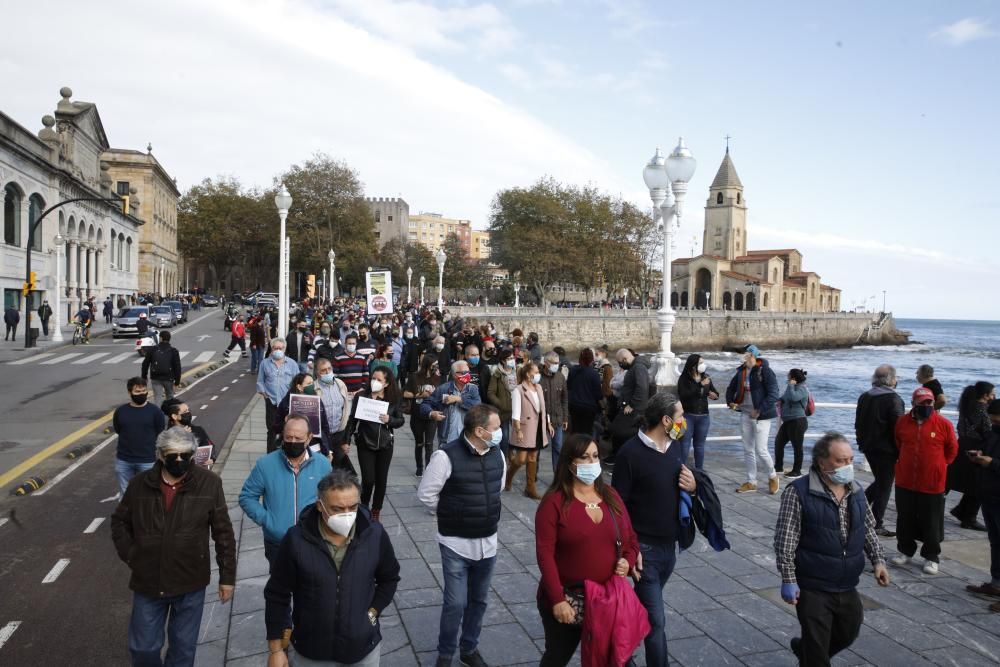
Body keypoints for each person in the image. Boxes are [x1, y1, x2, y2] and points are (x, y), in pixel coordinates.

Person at [111, 428, 237, 667]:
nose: (178, 460)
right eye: (172, 455)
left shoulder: (209, 484)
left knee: (183, 650)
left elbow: (223, 533)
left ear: (192, 455)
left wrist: (227, 577)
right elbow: (119, 522)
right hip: (149, 581)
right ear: (160, 455)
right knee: (143, 649)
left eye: (184, 455)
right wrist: (132, 555)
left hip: (190, 582)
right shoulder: (139, 485)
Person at [773, 432, 890, 665]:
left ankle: (805, 651)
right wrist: (788, 578)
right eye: (840, 460)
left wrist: (878, 561)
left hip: (846, 583)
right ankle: (811, 654)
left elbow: (867, 529)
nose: (847, 465)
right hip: (813, 585)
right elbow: (785, 540)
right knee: (818, 654)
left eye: (850, 460)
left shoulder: (856, 490)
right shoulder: (798, 493)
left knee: (848, 632)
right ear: (821, 461)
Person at [263, 471, 401, 667]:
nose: (347, 514)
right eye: (337, 509)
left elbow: (389, 578)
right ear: (320, 506)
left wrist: (372, 612)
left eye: (352, 507)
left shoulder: (374, 535)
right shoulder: (296, 540)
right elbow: (277, 593)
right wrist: (276, 649)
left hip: (362, 651)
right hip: (311, 651)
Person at [534, 434, 640, 666]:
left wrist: (628, 561)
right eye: (584, 457)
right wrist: (557, 600)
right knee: (556, 657)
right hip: (570, 600)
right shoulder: (554, 503)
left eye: (595, 456)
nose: (592, 463)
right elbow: (545, 555)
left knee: (618, 658)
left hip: (608, 600)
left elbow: (631, 538)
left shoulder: (611, 496)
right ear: (569, 463)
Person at [611, 392, 696, 667]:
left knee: (643, 610)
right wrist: (629, 548)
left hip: (668, 547)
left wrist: (693, 487)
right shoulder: (630, 454)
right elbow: (618, 506)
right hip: (644, 551)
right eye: (680, 416)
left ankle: (618, 644)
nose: (684, 421)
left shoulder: (676, 447)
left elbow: (683, 486)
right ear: (666, 419)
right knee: (656, 621)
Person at [417, 404, 505, 667]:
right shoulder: (446, 456)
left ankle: (469, 648)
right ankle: (445, 654)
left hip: (488, 543)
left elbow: (497, 487)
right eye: (496, 427)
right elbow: (426, 495)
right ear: (479, 431)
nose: (501, 432)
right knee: (455, 603)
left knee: (479, 601)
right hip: (455, 543)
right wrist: (451, 513)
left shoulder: (497, 453)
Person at [240, 414, 334, 568]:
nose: (293, 442)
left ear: (309, 438)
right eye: (288, 437)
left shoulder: (323, 465)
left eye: (298, 438)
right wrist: (267, 520)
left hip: (312, 540)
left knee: (310, 588)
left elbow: (331, 498)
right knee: (280, 588)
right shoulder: (266, 464)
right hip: (278, 543)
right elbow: (247, 497)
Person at [891, 387, 959, 575]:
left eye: (930, 402)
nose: (927, 405)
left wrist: (940, 465)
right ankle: (905, 550)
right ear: (914, 404)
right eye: (923, 403)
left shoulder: (943, 424)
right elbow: (898, 443)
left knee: (932, 521)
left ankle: (931, 556)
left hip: (932, 482)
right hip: (905, 480)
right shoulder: (902, 423)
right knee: (905, 517)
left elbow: (952, 449)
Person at [346, 368, 405, 523]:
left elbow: (400, 420)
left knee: (381, 479)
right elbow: (352, 420)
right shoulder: (361, 396)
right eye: (373, 378)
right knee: (368, 479)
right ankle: (363, 507)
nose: (375, 382)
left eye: (379, 380)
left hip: (385, 444)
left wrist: (389, 420)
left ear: (386, 383)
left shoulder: (394, 398)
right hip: (365, 442)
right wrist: (346, 441)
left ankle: (376, 510)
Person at [855, 364, 905, 537]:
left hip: (869, 446)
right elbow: (899, 428)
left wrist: (861, 441)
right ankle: (876, 522)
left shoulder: (865, 396)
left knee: (881, 481)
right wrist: (902, 450)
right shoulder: (894, 399)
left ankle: (857, 507)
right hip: (887, 450)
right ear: (891, 379)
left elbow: (858, 423)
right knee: (884, 485)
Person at [725, 344, 780, 494]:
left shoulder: (765, 371)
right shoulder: (741, 371)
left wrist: (759, 409)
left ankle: (773, 476)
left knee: (761, 449)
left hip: (761, 416)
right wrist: (730, 401)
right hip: (745, 413)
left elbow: (774, 394)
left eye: (744, 353)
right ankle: (751, 481)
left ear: (752, 355)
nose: (741, 355)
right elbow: (731, 388)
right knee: (748, 449)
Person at [966, 399, 1000, 608]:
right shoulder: (993, 432)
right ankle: (996, 583)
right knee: (995, 541)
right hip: (988, 494)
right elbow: (985, 448)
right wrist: (978, 456)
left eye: (994, 417)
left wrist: (993, 463)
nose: (991, 420)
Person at [951, 382, 995, 531]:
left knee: (961, 481)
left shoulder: (966, 407)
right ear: (985, 395)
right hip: (978, 448)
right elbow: (989, 431)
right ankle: (968, 517)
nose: (993, 396)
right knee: (978, 484)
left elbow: (959, 427)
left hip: (962, 445)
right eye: (991, 393)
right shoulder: (984, 411)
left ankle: (962, 513)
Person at [113, 377, 167, 497]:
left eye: (144, 391)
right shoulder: (121, 411)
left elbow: (160, 432)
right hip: (124, 460)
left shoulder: (155, 412)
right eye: (137, 392)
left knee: (149, 493)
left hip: (148, 460)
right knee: (126, 494)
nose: (141, 394)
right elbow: (118, 429)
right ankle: (127, 515)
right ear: (129, 392)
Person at [507, 361, 549, 499]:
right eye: (535, 372)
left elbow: (543, 409)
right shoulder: (518, 390)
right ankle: (508, 476)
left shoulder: (539, 388)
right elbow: (516, 413)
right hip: (525, 428)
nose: (538, 375)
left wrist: (548, 423)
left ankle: (530, 488)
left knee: (533, 457)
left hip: (537, 427)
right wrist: (518, 430)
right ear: (527, 374)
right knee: (521, 459)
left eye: (538, 372)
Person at [424, 360, 483, 451]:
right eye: (464, 373)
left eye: (468, 372)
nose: (467, 375)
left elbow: (477, 405)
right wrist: (431, 413)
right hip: (447, 439)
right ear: (455, 375)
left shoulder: (473, 389)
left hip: (468, 439)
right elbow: (425, 404)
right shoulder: (443, 389)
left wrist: (459, 399)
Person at [257, 338, 302, 451]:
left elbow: (298, 382)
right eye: (275, 348)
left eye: (280, 348)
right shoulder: (265, 363)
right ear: (271, 349)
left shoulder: (292, 364)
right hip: (271, 402)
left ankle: (285, 453)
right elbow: (260, 381)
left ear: (284, 349)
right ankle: (270, 456)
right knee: (271, 430)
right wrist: (265, 395)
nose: (277, 350)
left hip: (287, 403)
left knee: (287, 429)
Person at [676, 354, 718, 470]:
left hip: (703, 417)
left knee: (699, 446)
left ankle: (699, 471)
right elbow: (684, 395)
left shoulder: (706, 378)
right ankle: (681, 470)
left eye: (703, 363)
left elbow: (714, 392)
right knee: (684, 445)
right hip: (688, 416)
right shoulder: (684, 378)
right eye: (700, 363)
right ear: (693, 365)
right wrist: (699, 385)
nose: (703, 365)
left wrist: (714, 395)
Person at [608, 348, 650, 465]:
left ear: (625, 359)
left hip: (634, 409)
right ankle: (621, 457)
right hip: (630, 407)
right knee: (620, 430)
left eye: (620, 362)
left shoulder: (638, 368)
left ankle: (622, 458)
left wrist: (632, 404)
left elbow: (642, 388)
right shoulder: (635, 367)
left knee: (619, 430)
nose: (620, 365)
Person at [276, 373, 333, 457]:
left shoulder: (317, 401)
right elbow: (276, 427)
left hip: (315, 446)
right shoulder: (286, 403)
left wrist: (329, 450)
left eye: (312, 383)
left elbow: (324, 426)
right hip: (293, 447)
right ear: (299, 387)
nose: (312, 386)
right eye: (309, 383)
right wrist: (285, 422)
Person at [314, 357, 354, 473]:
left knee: (338, 468)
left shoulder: (340, 384)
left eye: (329, 369)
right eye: (323, 370)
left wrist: (346, 439)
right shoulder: (314, 388)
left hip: (338, 434)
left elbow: (346, 411)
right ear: (317, 373)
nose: (327, 372)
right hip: (322, 436)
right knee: (323, 468)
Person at [404, 354, 440, 476]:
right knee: (419, 443)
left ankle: (428, 469)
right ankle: (419, 467)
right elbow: (405, 393)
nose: (436, 367)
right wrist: (420, 395)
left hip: (431, 415)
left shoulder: (437, 378)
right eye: (434, 365)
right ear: (428, 365)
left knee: (429, 444)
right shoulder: (415, 377)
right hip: (417, 415)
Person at [162, 399, 218, 468]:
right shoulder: (167, 435)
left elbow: (210, 446)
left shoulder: (198, 430)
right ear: (175, 416)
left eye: (188, 410)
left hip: (198, 473)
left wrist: (212, 458)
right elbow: (166, 457)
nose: (188, 413)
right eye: (185, 412)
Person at [775, 368, 810, 479]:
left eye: (789, 374)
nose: (787, 375)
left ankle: (796, 471)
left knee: (797, 447)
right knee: (778, 443)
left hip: (797, 421)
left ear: (793, 378)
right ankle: (778, 467)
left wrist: (790, 386)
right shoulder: (791, 388)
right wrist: (777, 400)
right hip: (788, 421)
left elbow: (794, 398)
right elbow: (785, 398)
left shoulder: (803, 389)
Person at [540, 351, 568, 474]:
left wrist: (565, 417)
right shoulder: (538, 377)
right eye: (554, 363)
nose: (557, 365)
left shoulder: (560, 377)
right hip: (541, 419)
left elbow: (564, 398)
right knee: (537, 449)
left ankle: (558, 475)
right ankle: (532, 478)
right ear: (546, 363)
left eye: (558, 363)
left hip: (557, 418)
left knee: (558, 448)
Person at [567, 348, 603, 436]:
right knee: (586, 431)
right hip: (588, 407)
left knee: (575, 429)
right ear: (592, 360)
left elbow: (569, 386)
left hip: (574, 405)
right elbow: (598, 394)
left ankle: (574, 447)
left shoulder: (573, 370)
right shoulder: (594, 374)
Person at [487, 349, 517, 455]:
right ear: (503, 361)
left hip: (516, 410)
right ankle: (503, 457)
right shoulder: (497, 374)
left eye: (513, 358)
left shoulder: (517, 372)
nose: (512, 360)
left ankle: (513, 456)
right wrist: (501, 404)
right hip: (503, 412)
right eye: (509, 358)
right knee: (504, 436)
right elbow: (490, 393)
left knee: (516, 436)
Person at [141, 329, 182, 405]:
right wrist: (177, 382)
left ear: (161, 338)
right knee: (170, 397)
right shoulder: (174, 351)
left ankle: (158, 415)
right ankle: (171, 414)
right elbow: (177, 367)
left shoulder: (152, 349)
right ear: (169, 339)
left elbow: (145, 363)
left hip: (155, 378)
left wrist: (144, 376)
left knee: (158, 397)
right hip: (169, 378)